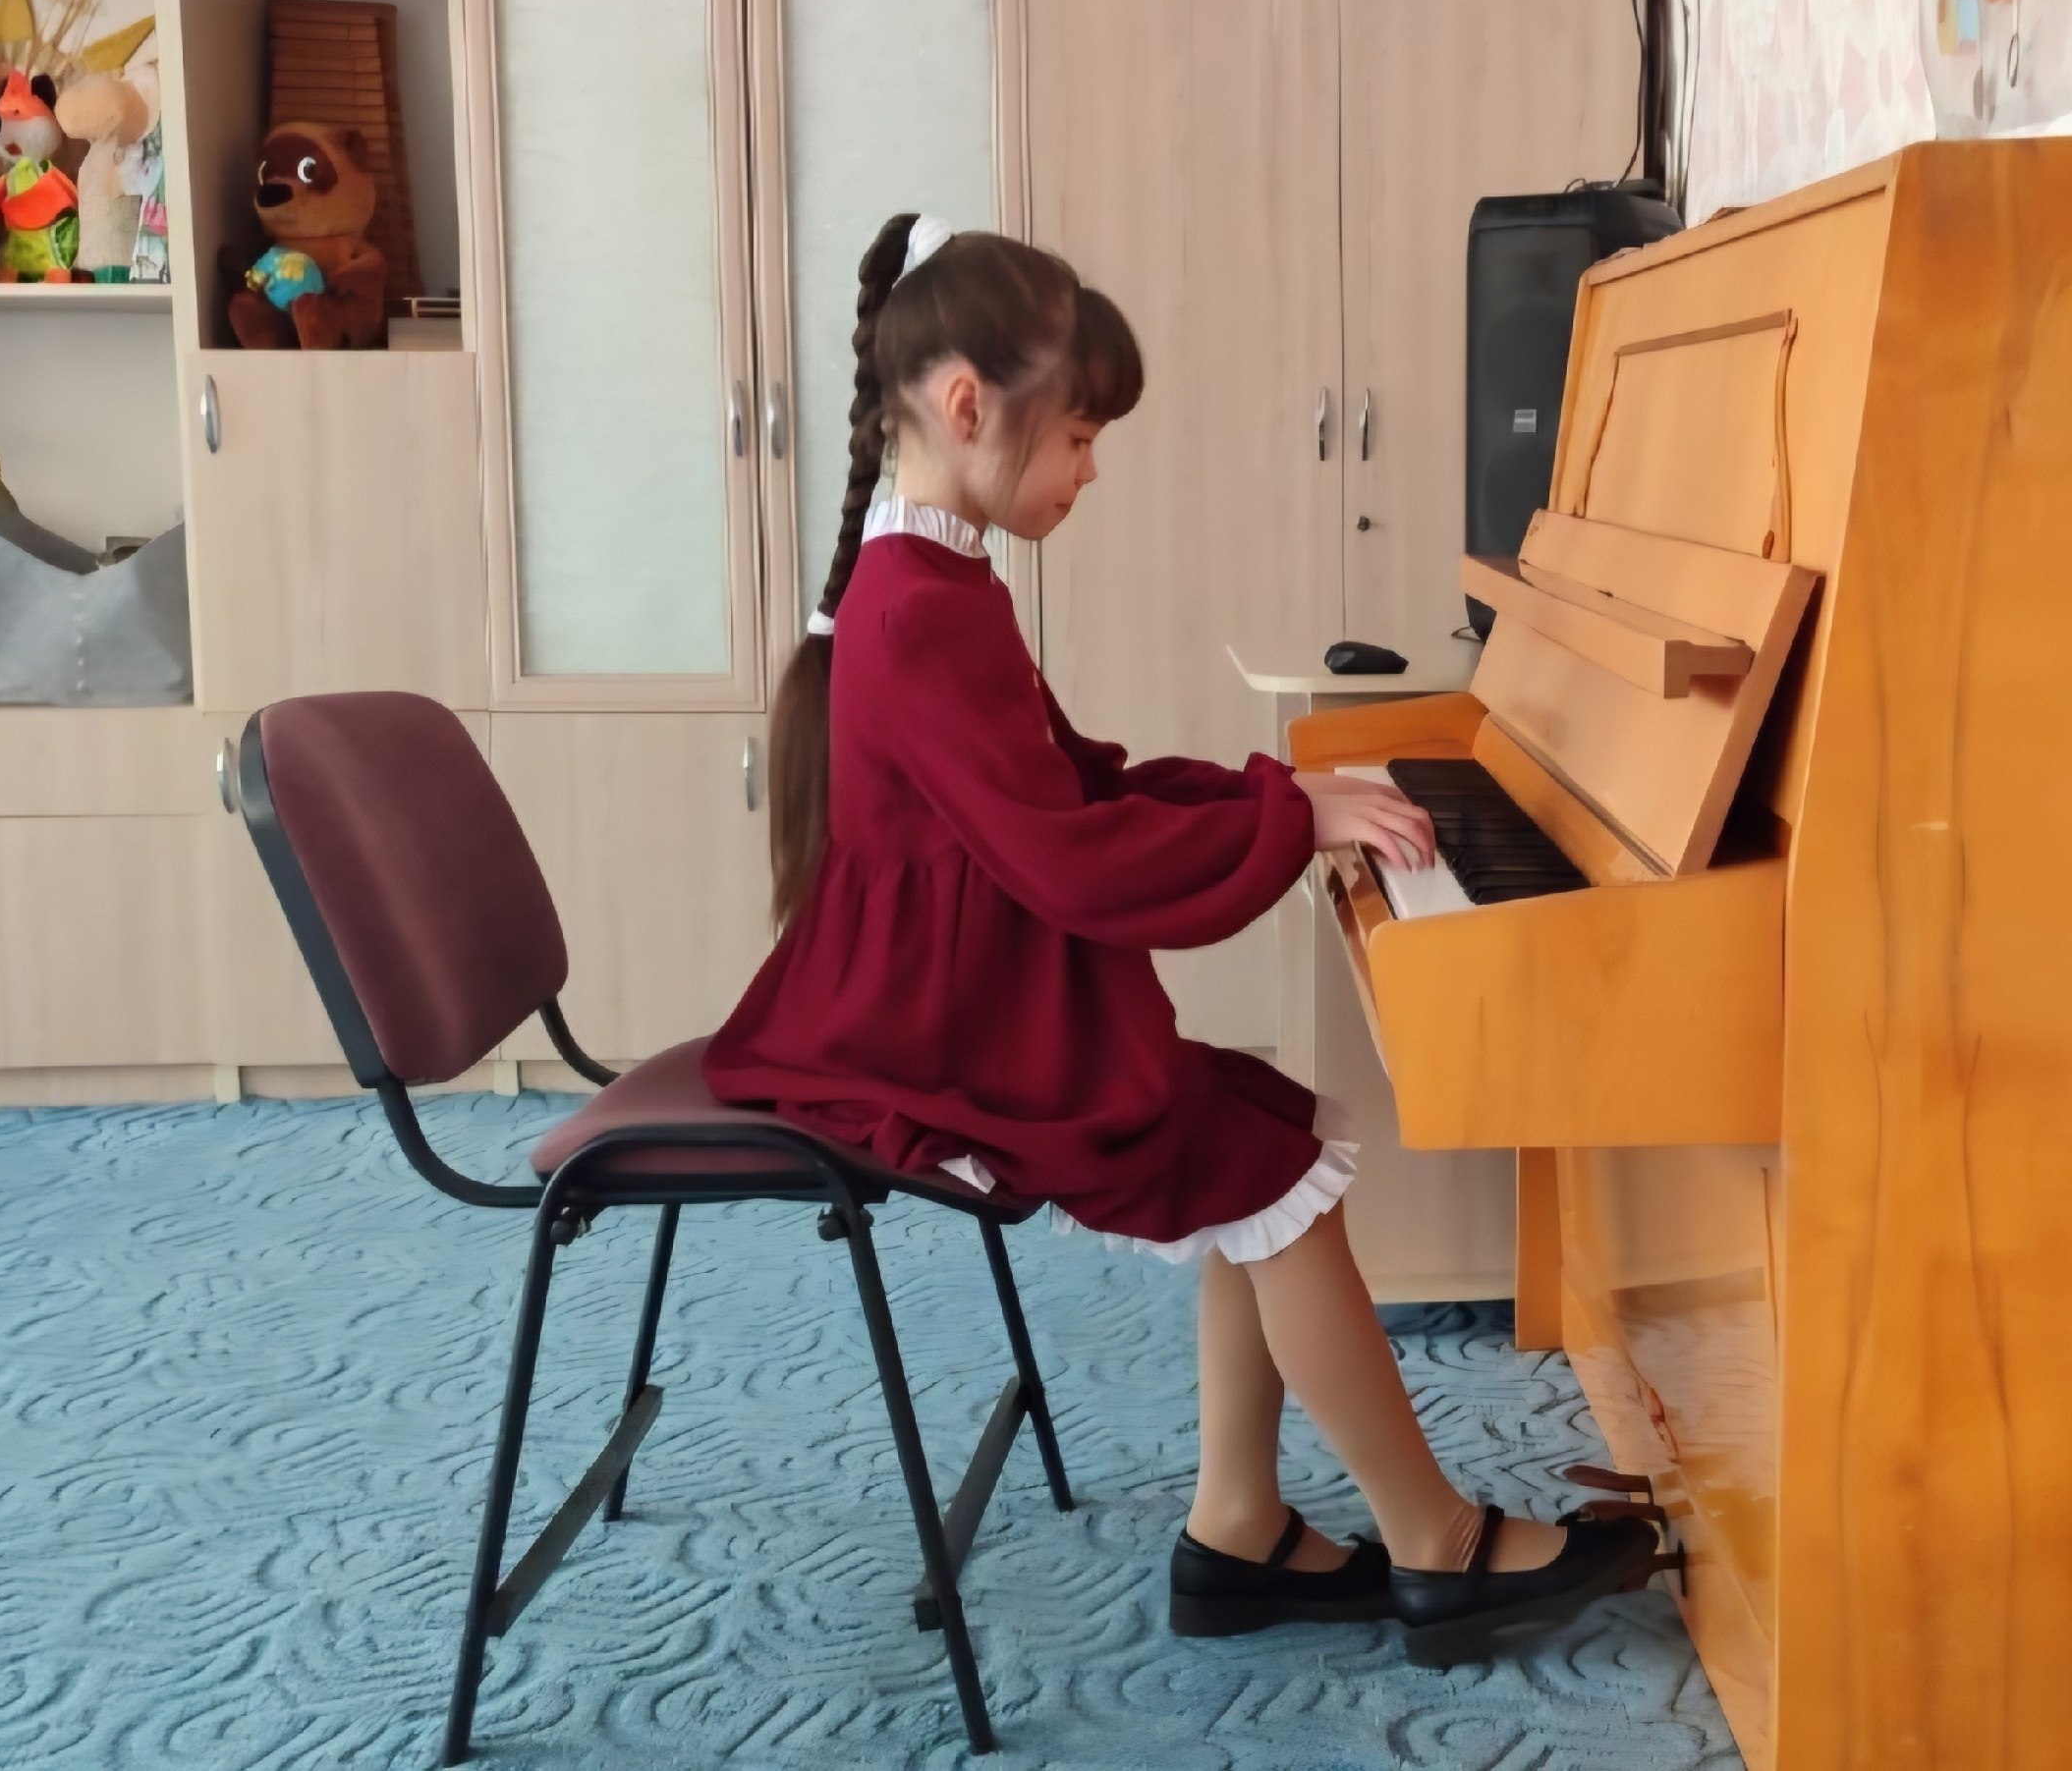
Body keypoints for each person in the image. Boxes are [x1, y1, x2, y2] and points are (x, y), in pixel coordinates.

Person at [703, 214, 1654, 1658]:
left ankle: (1240, 1527)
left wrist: (1278, 799)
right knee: (1267, 1171)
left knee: (1266, 1136)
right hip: (936, 1033)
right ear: (968, 406)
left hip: (962, 996)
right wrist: (1283, 821)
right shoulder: (913, 614)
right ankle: (1437, 1544)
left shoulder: (934, 580)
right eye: (1080, 438)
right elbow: (1072, 858)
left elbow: (1073, 786)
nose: (1091, 471)